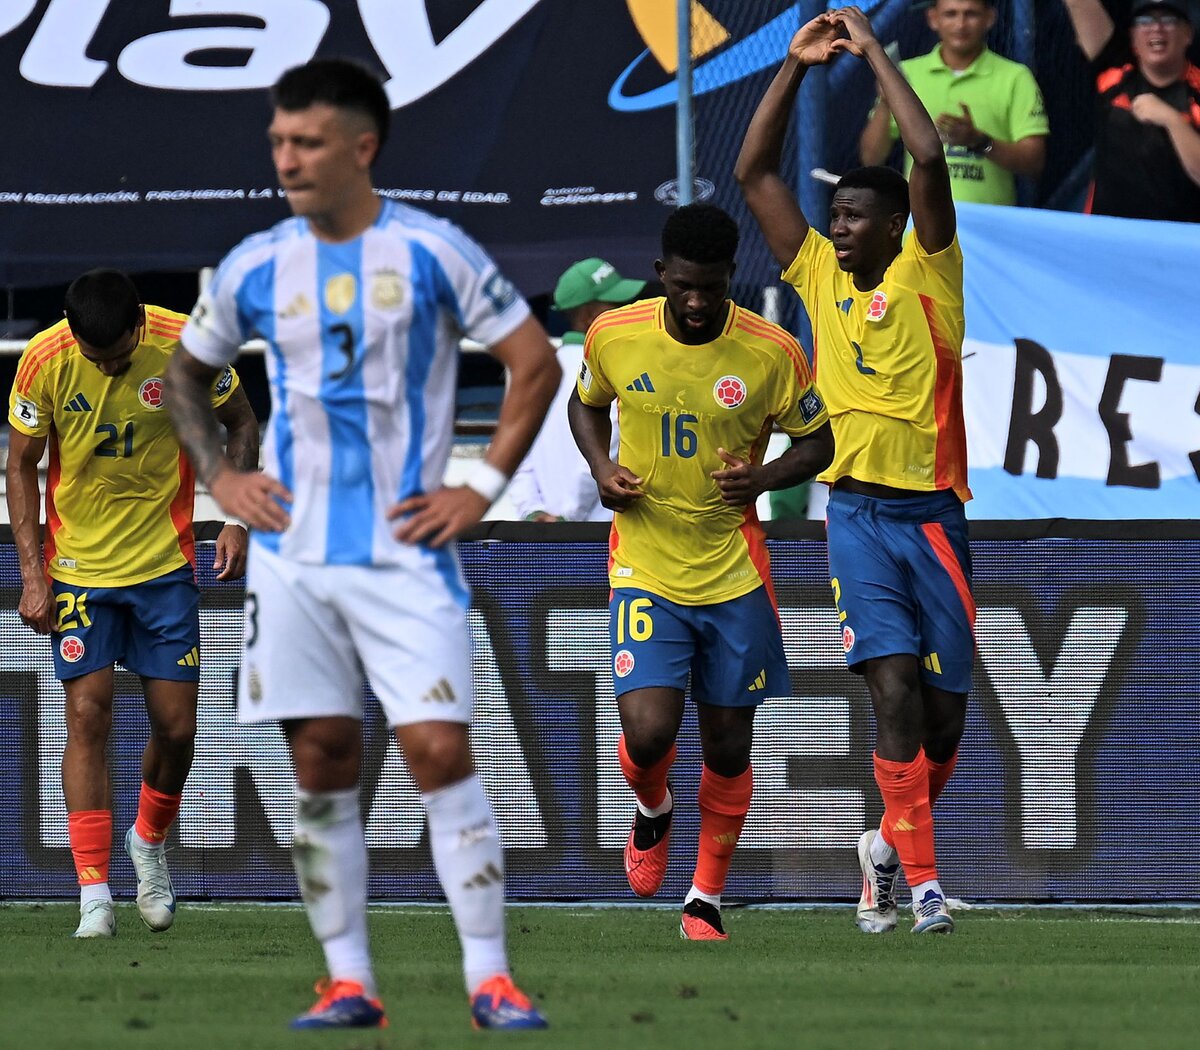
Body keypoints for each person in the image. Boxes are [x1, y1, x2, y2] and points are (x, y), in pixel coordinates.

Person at [163, 59, 558, 1031]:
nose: (285, 159)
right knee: (323, 758)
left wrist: (480, 487)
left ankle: (490, 978)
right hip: (294, 554)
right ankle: (347, 982)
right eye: (277, 143)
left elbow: (533, 365)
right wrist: (219, 476)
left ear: (362, 147)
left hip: (404, 549)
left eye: (304, 143)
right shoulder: (258, 262)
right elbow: (184, 375)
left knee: (437, 751)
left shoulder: (434, 251)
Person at [736, 7, 974, 936]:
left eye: (852, 215)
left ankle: (883, 845)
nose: (836, 228)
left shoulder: (930, 271)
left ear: (893, 224)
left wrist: (873, 51)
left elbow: (928, 159)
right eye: (833, 214)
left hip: (935, 517)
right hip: (857, 517)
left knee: (944, 727)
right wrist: (795, 68)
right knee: (893, 693)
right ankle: (920, 890)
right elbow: (753, 173)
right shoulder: (816, 277)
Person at [568, 203, 835, 941]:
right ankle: (653, 807)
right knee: (649, 733)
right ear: (660, 276)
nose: (695, 302)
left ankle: (704, 900)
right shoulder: (614, 335)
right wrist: (600, 467)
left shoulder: (772, 352)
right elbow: (585, 404)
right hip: (646, 561)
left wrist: (765, 475)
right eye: (683, 286)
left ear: (730, 281)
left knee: (727, 745)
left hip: (734, 572)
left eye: (710, 289)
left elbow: (819, 442)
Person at [5, 269, 257, 939]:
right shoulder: (45, 359)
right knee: (87, 715)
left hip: (164, 566)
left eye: (118, 356)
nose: (108, 367)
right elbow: (21, 464)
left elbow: (241, 422)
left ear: (140, 325)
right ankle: (93, 892)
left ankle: (148, 841)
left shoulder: (188, 344)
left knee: (177, 731)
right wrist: (34, 575)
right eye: (97, 358)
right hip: (81, 568)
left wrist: (235, 517)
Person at [859, 0, 1048, 206]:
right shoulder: (905, 74)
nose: (960, 24)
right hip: (920, 225)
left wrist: (979, 141)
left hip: (988, 227)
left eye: (971, 14)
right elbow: (871, 158)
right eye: (951, 14)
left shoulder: (1015, 77)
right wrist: (886, 103)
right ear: (933, 18)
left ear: (990, 18)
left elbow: (1034, 163)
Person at [507, 258, 644, 522]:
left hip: (540, 534)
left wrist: (532, 512)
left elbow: (515, 445)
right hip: (596, 533)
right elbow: (606, 446)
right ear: (588, 315)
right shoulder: (617, 364)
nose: (626, 310)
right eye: (615, 304)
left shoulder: (533, 370)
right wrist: (568, 517)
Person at [1061, 0, 1200, 221]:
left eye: (1169, 19)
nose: (1156, 27)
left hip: (1179, 243)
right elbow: (1079, 3)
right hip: (1110, 236)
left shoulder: (1196, 91)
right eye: (1145, 20)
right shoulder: (1114, 70)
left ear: (1188, 34)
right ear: (1133, 36)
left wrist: (1172, 120)